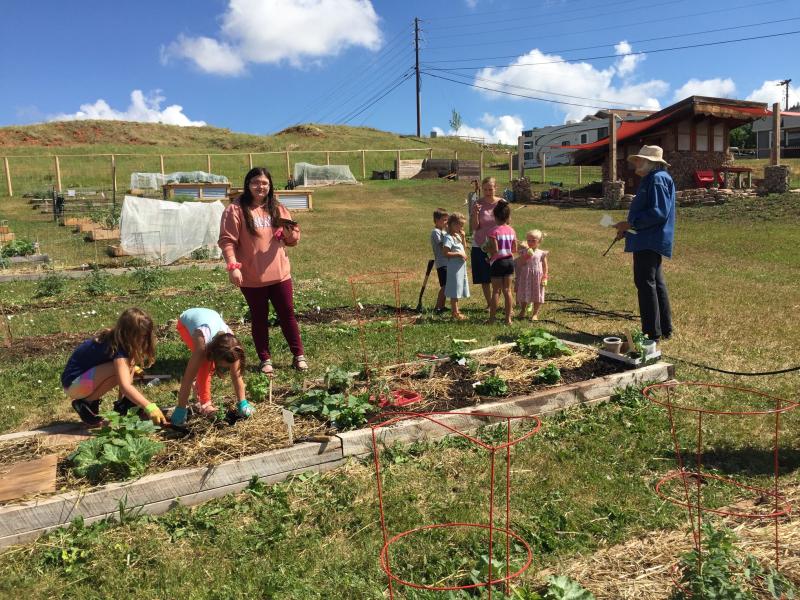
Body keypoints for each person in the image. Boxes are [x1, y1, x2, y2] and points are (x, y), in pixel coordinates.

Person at [219, 167, 307, 375]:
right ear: (248, 184)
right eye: (256, 182)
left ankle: (299, 356)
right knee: (259, 318)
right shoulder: (235, 210)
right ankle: (265, 359)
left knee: (287, 315)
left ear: (270, 186)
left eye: (265, 183)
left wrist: (289, 234)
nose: (260, 187)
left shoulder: (277, 208)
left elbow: (293, 239)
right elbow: (227, 241)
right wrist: (233, 266)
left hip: (280, 274)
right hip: (252, 276)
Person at [61, 307, 165, 427]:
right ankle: (85, 403)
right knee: (122, 370)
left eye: (145, 336)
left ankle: (124, 403)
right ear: (128, 333)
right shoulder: (118, 348)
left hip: (80, 382)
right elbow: (125, 385)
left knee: (126, 367)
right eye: (140, 336)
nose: (142, 340)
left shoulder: (117, 339)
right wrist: (149, 407)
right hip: (74, 385)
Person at [614, 145, 675, 341]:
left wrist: (631, 223)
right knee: (655, 283)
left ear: (651, 162)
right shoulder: (654, 178)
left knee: (645, 283)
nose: (636, 164)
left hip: (649, 239)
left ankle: (651, 333)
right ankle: (663, 328)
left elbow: (658, 212)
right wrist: (628, 229)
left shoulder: (657, 180)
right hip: (647, 237)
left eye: (639, 160)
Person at [170, 308, 252, 426]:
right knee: (204, 364)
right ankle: (205, 404)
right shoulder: (201, 344)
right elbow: (187, 379)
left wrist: (243, 403)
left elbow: (236, 375)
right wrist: (181, 408)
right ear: (215, 355)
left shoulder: (232, 346)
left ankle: (199, 391)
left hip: (208, 317)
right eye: (223, 366)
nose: (225, 369)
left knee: (206, 364)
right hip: (186, 321)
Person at [469, 176, 503, 308]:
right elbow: (474, 227)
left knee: (498, 276)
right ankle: (490, 304)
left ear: (496, 188)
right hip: (480, 244)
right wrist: (476, 214)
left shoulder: (502, 203)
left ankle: (496, 302)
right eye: (485, 190)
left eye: (490, 189)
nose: (488, 192)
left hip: (497, 244)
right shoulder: (477, 203)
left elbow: (506, 223)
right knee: (484, 276)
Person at [486, 201, 517, 325]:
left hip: (498, 263)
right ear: (508, 217)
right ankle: (508, 319)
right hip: (509, 261)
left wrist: (486, 250)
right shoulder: (511, 230)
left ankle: (492, 319)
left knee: (496, 291)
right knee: (507, 290)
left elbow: (495, 250)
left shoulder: (493, 232)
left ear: (495, 216)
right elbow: (514, 249)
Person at [515, 229, 549, 321]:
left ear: (539, 241)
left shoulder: (542, 253)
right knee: (524, 293)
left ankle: (535, 314)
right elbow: (520, 263)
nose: (530, 242)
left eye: (533, 240)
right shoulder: (523, 252)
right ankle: (522, 311)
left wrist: (545, 277)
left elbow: (545, 266)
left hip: (537, 277)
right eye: (528, 240)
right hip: (526, 276)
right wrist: (527, 255)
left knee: (537, 294)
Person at [443, 213, 470, 320]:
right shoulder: (448, 237)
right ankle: (454, 312)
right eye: (460, 225)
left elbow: (464, 247)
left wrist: (463, 237)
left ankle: (456, 310)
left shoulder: (458, 235)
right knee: (455, 289)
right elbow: (445, 253)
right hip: (454, 268)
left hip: (460, 267)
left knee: (459, 287)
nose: (462, 228)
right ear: (453, 225)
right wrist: (458, 254)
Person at [430, 208, 449, 313]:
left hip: (447, 262)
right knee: (445, 286)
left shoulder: (443, 231)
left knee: (446, 285)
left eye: (447, 220)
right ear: (436, 221)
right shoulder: (436, 232)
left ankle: (442, 305)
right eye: (444, 220)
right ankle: (438, 306)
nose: (446, 222)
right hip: (442, 263)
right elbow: (443, 245)